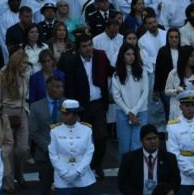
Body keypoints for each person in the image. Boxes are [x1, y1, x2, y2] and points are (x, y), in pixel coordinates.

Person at [63, 33, 112, 178]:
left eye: (90, 45)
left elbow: (111, 71)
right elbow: (70, 88)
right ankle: (83, 166)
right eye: (84, 46)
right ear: (78, 49)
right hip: (82, 106)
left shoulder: (100, 57)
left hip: (98, 104)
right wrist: (74, 110)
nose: (88, 48)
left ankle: (96, 164)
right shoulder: (72, 62)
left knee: (101, 137)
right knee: (82, 141)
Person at [0, 50, 30, 188]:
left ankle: (19, 174)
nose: (26, 65)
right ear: (16, 62)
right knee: (8, 151)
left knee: (23, 149)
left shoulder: (24, 76)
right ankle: (8, 184)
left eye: (26, 62)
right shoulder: (3, 78)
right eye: (24, 62)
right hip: (6, 114)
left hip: (22, 113)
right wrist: (0, 114)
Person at [112, 43, 149, 161]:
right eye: (128, 54)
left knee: (137, 144)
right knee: (124, 146)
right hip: (123, 113)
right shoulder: (117, 75)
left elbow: (145, 92)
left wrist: (134, 111)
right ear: (122, 56)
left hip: (141, 112)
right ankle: (124, 173)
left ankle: (136, 172)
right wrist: (129, 112)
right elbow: (116, 97)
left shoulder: (142, 71)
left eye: (133, 54)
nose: (131, 56)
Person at [49, 99, 96, 193]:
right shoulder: (54, 131)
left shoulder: (87, 130)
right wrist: (64, 174)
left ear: (75, 115)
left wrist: (78, 172)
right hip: (62, 179)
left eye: (67, 114)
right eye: (62, 113)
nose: (63, 116)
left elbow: (89, 153)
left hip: (83, 178)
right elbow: (53, 155)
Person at [118, 124, 181, 195]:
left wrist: (170, 191)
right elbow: (122, 183)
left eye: (155, 138)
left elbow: (176, 181)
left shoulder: (169, 158)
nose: (152, 141)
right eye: (148, 139)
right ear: (141, 141)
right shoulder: (129, 158)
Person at [29, 76, 65, 195]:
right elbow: (33, 131)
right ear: (48, 88)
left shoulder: (68, 105)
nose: (61, 90)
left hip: (65, 152)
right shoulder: (36, 107)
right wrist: (49, 147)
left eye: (61, 87)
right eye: (57, 87)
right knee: (45, 186)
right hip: (45, 154)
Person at [164, 46, 194, 121]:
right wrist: (176, 91)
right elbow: (166, 91)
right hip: (177, 107)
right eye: (191, 56)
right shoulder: (174, 73)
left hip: (192, 108)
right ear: (184, 56)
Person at [154, 28, 180, 121]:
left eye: (176, 37)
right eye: (171, 37)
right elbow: (158, 70)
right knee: (169, 111)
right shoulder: (162, 51)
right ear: (167, 38)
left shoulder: (183, 50)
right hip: (166, 87)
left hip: (181, 85)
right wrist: (156, 89)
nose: (174, 39)